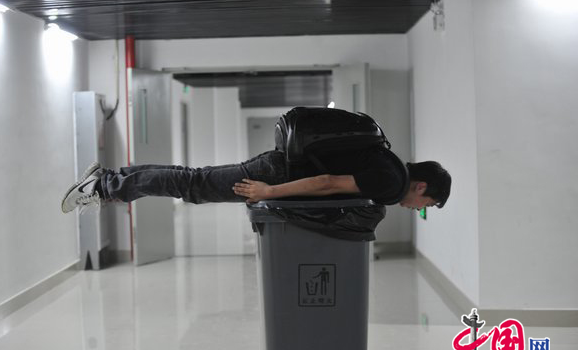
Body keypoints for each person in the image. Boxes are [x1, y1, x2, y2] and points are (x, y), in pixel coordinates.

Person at [61, 149, 450, 214]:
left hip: (278, 167)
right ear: (421, 188)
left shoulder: (390, 164)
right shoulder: (391, 183)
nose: (417, 209)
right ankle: (104, 187)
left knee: (193, 181)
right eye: (426, 207)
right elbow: (328, 182)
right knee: (194, 186)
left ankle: (109, 180)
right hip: (277, 176)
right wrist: (269, 192)